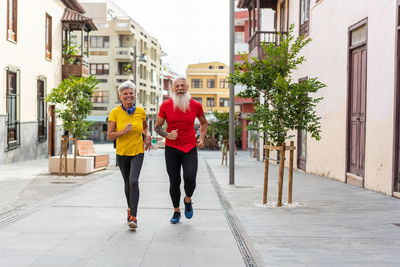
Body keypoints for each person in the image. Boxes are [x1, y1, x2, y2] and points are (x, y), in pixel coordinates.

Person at [154, 77, 208, 223]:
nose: (179, 88)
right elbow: (157, 127)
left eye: (182, 85)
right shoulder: (165, 105)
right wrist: (167, 135)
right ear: (172, 88)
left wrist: (201, 138)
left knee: (190, 178)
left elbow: (204, 123)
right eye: (177, 86)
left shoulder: (196, 105)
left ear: (187, 87)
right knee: (174, 180)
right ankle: (176, 211)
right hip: (171, 148)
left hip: (190, 147)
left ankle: (188, 199)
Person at [107, 80, 151, 229]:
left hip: (138, 151)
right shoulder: (115, 112)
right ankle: (129, 209)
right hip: (122, 153)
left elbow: (145, 127)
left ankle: (133, 216)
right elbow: (110, 135)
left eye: (131, 93)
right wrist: (123, 132)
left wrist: (148, 136)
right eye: (125, 94)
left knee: (134, 181)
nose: (128, 96)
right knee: (127, 184)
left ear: (134, 95)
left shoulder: (140, 111)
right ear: (120, 96)